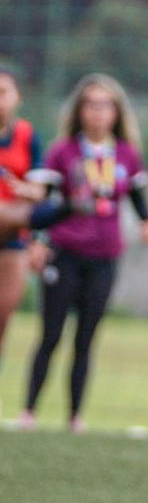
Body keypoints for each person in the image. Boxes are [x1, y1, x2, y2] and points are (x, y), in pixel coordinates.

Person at [19, 73, 148, 432]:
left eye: (105, 105)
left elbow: (138, 197)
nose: (98, 112)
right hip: (64, 253)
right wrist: (37, 239)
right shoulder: (62, 151)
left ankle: (74, 417)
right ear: (80, 110)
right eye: (91, 104)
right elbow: (44, 205)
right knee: (50, 335)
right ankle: (29, 412)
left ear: (117, 112)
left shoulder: (127, 154)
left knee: (86, 338)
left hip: (104, 257)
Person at [0, 65, 45, 386]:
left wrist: (31, 192)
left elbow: (43, 190)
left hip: (14, 239)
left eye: (3, 92)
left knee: (2, 320)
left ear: (18, 97)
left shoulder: (28, 137)